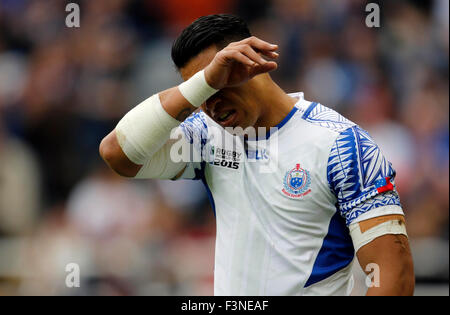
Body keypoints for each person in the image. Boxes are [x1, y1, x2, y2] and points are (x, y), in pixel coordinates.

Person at [99, 14, 414, 295]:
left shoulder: (343, 146)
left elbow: (393, 278)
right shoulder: (207, 137)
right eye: (204, 94)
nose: (212, 106)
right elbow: (118, 154)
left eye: (222, 85)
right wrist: (204, 82)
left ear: (256, 63)